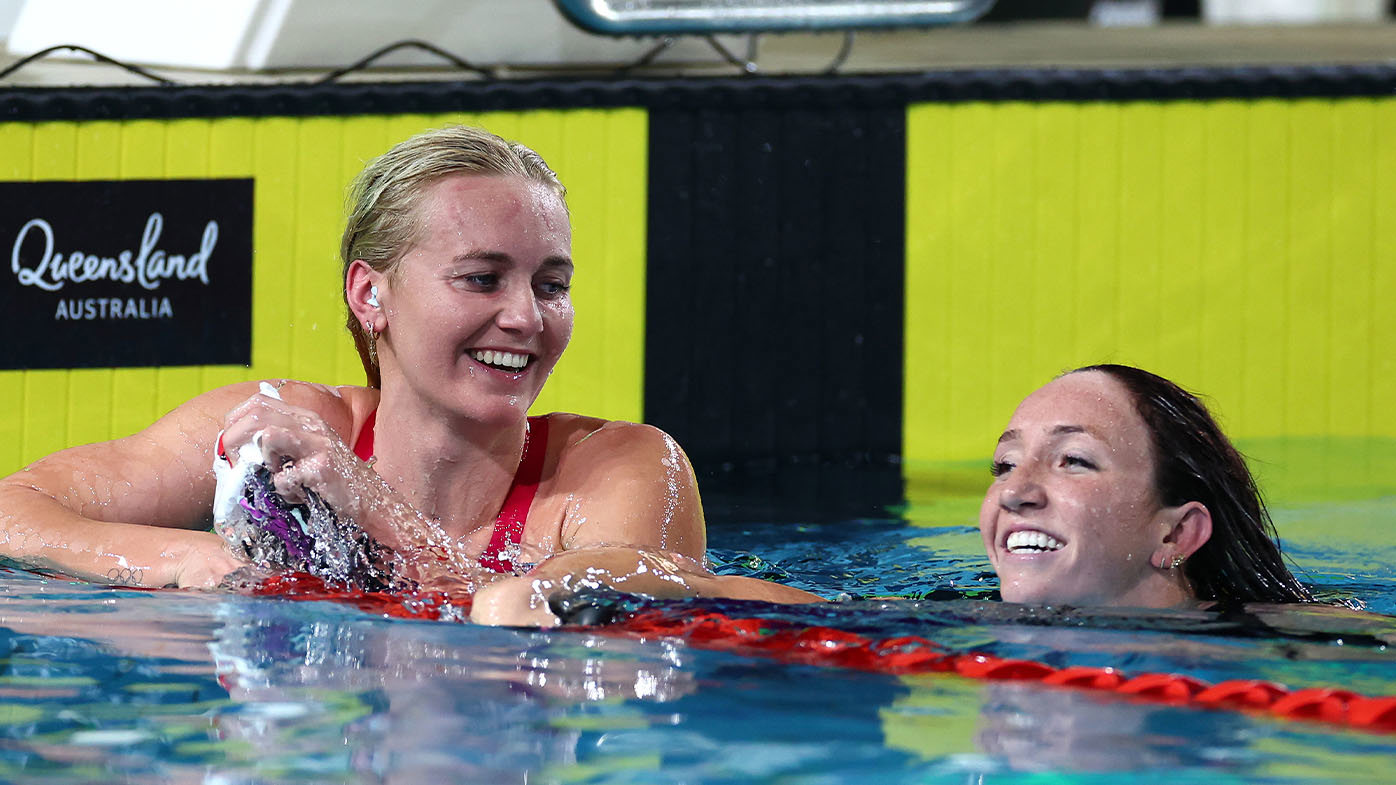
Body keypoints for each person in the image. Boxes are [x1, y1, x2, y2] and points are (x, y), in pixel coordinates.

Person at [0, 125, 809, 608]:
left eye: (552, 285)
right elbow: (16, 507)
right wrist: (172, 558)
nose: (527, 316)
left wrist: (371, 506)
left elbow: (529, 613)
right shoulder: (277, 425)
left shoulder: (620, 469)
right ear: (370, 294)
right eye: (482, 278)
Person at [981, 363, 1313, 608]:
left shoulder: (1298, 651)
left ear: (1177, 534)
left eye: (1074, 460)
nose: (1013, 493)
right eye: (1006, 465)